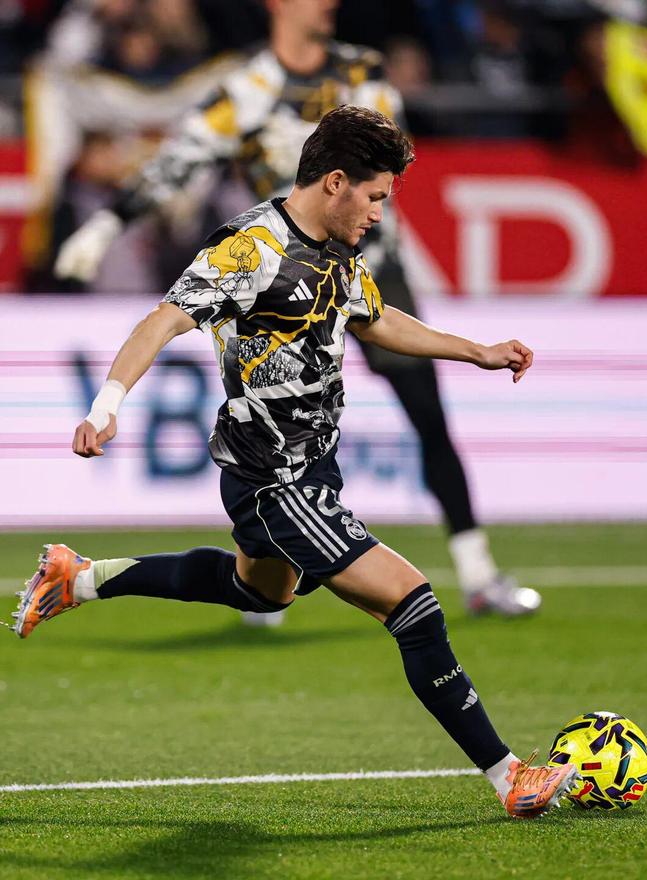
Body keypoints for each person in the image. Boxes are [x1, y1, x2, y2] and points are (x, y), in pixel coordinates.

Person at [12, 106, 576, 818]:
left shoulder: (336, 247)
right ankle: (509, 776)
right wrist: (106, 405)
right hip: (275, 481)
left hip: (311, 471)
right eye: (375, 197)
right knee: (413, 603)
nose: (379, 214)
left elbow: (374, 317)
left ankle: (80, 578)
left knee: (259, 593)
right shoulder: (250, 250)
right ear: (335, 182)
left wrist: (478, 351)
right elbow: (162, 320)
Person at [53, 0, 542, 622]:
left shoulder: (362, 72)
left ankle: (478, 573)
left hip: (370, 272)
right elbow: (183, 159)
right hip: (278, 276)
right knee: (271, 417)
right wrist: (107, 223)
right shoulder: (248, 87)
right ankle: (268, 566)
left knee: (428, 416)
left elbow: (388, 169)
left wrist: (470, 345)